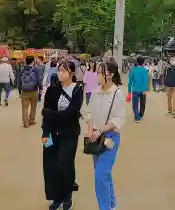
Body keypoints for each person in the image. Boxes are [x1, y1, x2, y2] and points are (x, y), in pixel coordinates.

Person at [42, 62, 84, 210]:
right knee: (52, 166)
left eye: (63, 71)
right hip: (52, 133)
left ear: (71, 73)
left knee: (64, 164)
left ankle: (68, 195)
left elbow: (71, 113)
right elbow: (45, 113)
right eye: (59, 70)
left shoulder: (77, 89)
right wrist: (45, 132)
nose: (60, 73)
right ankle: (57, 197)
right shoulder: (52, 89)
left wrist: (52, 114)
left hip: (69, 133)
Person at [86, 62, 126, 210]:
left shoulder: (117, 93)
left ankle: (104, 207)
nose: (98, 75)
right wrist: (91, 129)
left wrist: (100, 130)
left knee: (100, 175)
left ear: (110, 75)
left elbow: (118, 118)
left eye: (101, 73)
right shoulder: (95, 92)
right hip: (95, 138)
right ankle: (111, 203)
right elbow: (89, 112)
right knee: (104, 174)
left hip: (110, 138)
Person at [18, 55, 44, 128]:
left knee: (24, 108)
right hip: (34, 91)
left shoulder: (22, 70)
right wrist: (41, 88)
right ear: (33, 61)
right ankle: (32, 120)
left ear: (25, 61)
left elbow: (19, 82)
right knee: (33, 106)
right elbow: (39, 80)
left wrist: (19, 91)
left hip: (24, 91)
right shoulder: (37, 69)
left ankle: (26, 123)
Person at [128, 56, 149, 123]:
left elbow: (130, 82)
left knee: (135, 105)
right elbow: (145, 81)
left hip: (135, 90)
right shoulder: (145, 70)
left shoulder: (133, 70)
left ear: (137, 62)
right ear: (143, 63)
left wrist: (129, 91)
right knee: (143, 104)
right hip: (142, 90)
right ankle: (140, 115)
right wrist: (145, 90)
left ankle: (137, 117)